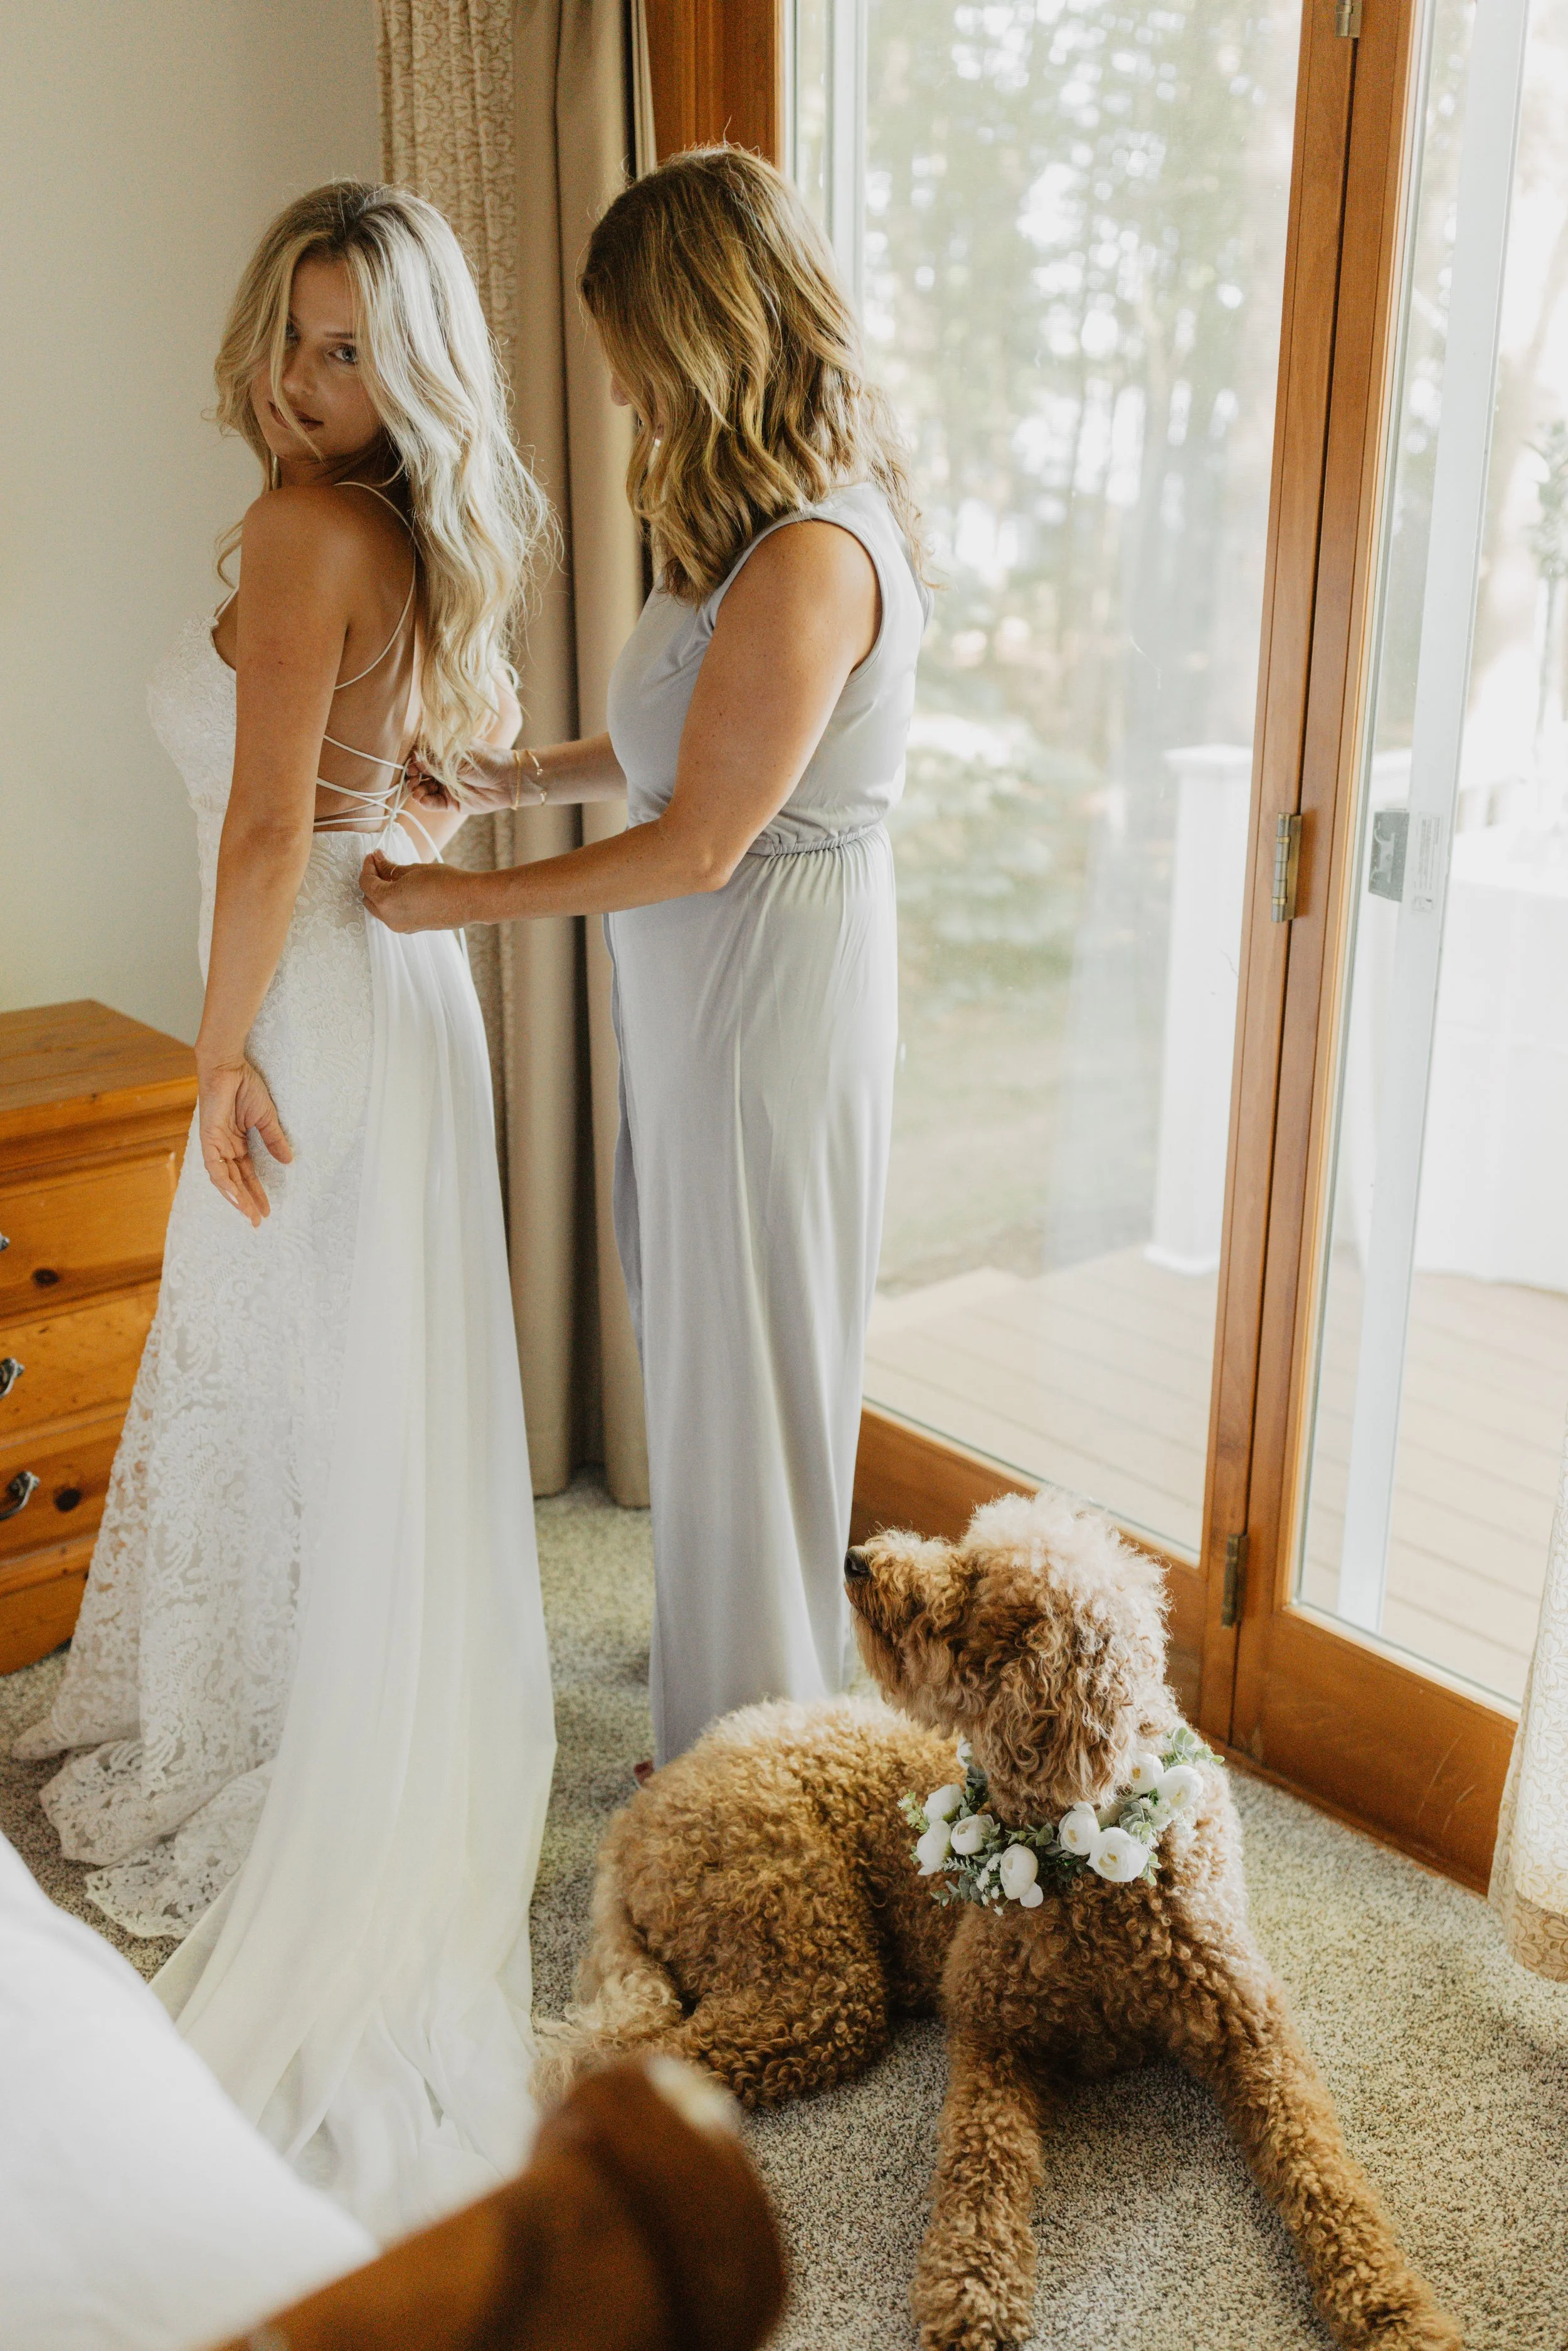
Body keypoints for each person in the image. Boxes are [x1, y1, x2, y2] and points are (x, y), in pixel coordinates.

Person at [14, 182, 556, 2236]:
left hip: (313, 998)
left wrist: (215, 1054)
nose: (305, 379)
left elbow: (261, 828)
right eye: (294, 334)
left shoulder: (299, 533)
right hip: (393, 991)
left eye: (349, 348)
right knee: (335, 1391)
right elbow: (387, 778)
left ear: (401, 369)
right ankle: (295, 1707)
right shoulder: (401, 531)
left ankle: (272, 1742)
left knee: (274, 1376)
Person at [361, 147, 930, 1770]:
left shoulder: (817, 550)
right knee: (701, 1360)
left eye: (622, 338)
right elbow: (676, 746)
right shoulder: (744, 530)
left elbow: (700, 839)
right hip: (704, 991)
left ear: (698, 327)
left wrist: (454, 908)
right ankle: (733, 1717)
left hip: (771, 999)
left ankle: (752, 1769)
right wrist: (504, 779)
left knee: (747, 1380)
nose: (609, 379)